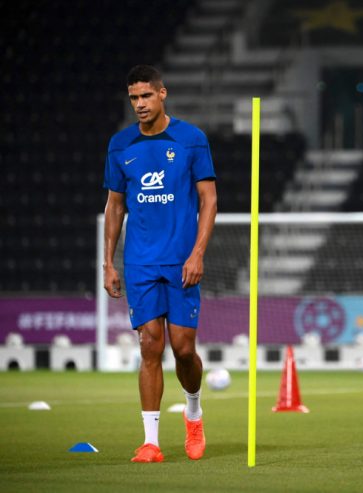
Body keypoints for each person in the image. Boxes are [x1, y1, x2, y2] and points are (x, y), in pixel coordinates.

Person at [103, 65, 217, 463]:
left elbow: (209, 200)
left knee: (184, 350)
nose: (139, 104)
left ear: (162, 94)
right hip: (140, 263)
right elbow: (115, 206)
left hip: (182, 261)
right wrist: (108, 263)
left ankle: (194, 411)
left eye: (146, 96)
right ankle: (151, 442)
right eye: (133, 97)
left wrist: (198, 252)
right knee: (149, 345)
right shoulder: (120, 145)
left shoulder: (191, 139)